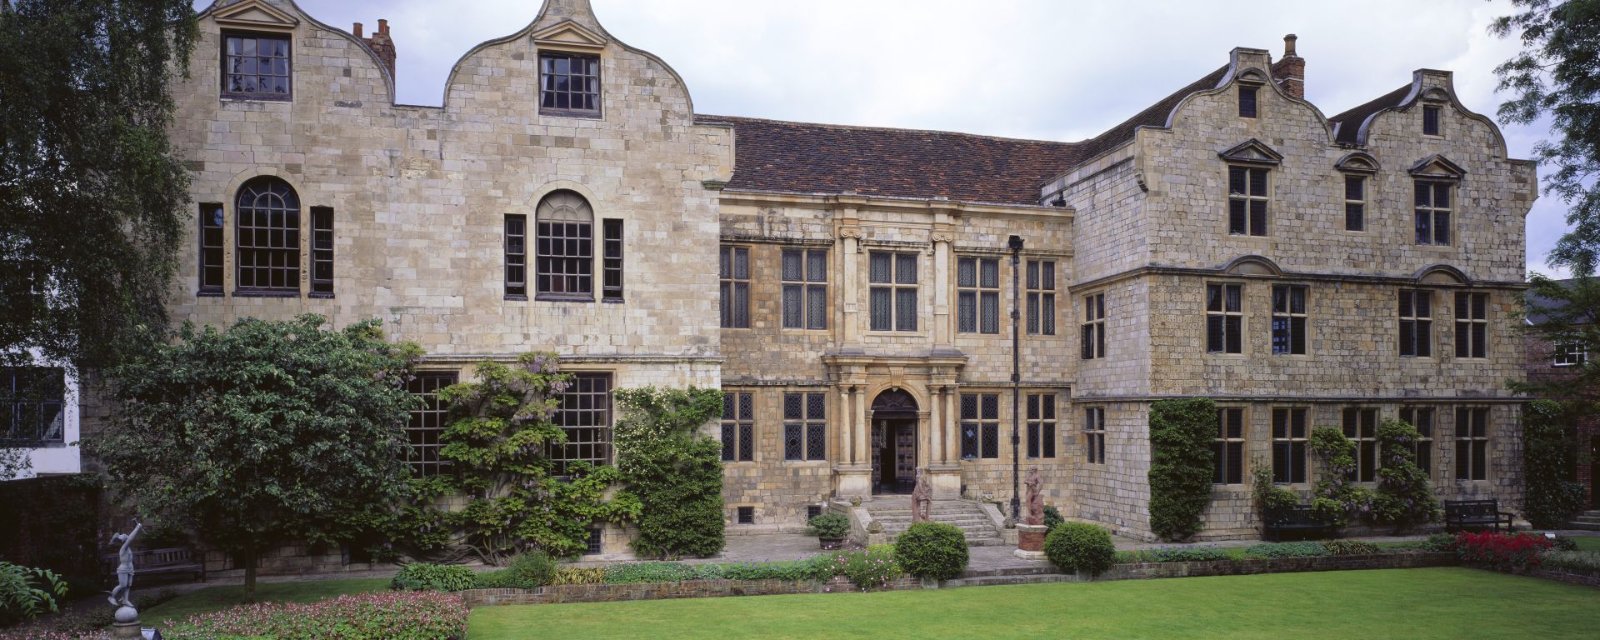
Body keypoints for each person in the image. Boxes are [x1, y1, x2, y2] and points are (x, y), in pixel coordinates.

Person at [108, 520, 142, 607]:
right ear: (122, 541)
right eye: (122, 535)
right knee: (122, 584)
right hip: (123, 569)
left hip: (130, 568)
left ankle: (125, 600)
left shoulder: (128, 548)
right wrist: (137, 527)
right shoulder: (124, 547)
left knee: (128, 585)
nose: (124, 534)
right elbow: (131, 538)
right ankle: (112, 596)